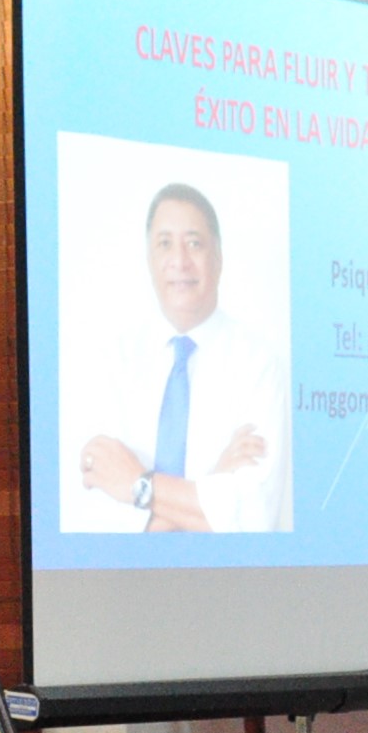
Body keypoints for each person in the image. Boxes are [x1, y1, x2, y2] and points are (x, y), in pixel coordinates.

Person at [66, 181, 293, 533]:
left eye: (194, 243)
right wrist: (212, 485)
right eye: (165, 244)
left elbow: (252, 515)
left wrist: (137, 485)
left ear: (218, 257)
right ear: (149, 260)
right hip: (119, 572)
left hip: (233, 571)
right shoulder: (110, 364)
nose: (180, 261)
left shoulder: (260, 366)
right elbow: (92, 515)